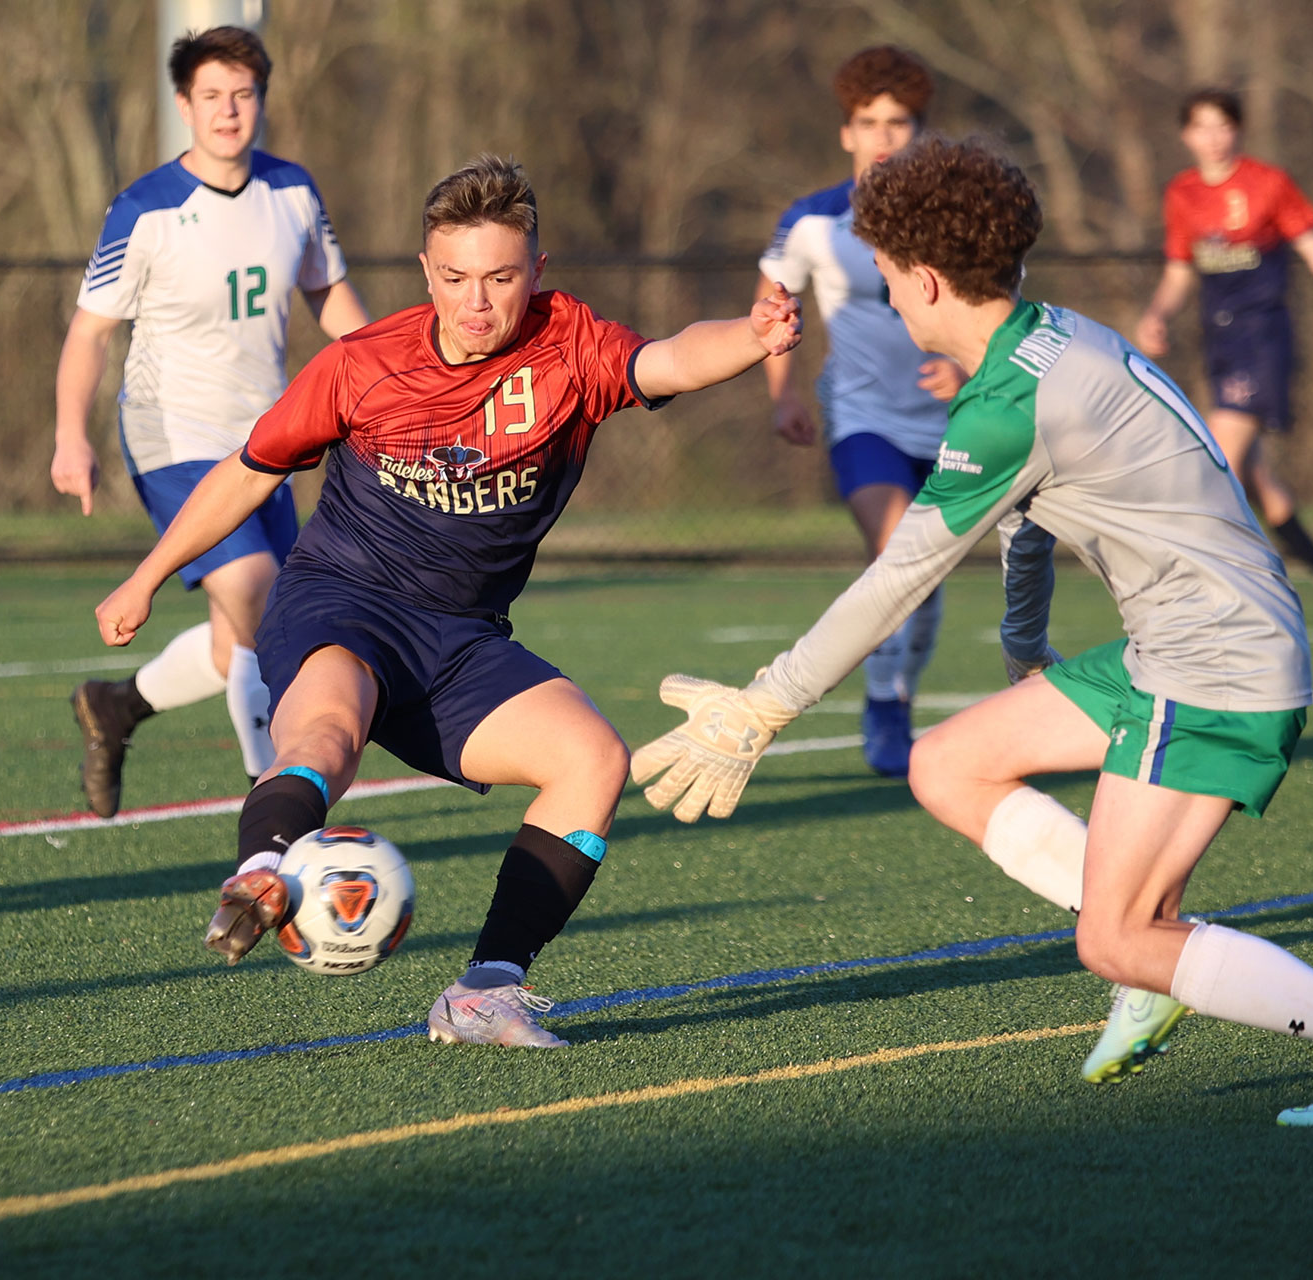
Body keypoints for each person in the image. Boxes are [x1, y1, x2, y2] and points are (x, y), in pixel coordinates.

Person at [633, 135, 1313, 1126]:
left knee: (1112, 938)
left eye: (889, 280)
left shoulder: (1007, 403)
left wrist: (765, 703)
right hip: (1180, 642)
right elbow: (1027, 523)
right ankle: (1160, 957)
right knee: (945, 763)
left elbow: (900, 573)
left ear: (930, 280)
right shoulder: (1048, 336)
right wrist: (1027, 653)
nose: (886, 300)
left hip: (1214, 661)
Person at [94, 155, 802, 1048]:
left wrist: (751, 335)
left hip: (462, 640)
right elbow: (249, 470)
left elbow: (670, 359)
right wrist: (147, 574)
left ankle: (485, 991)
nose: (478, 302)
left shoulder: (570, 348)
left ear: (536, 273)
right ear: (427, 274)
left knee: (592, 760)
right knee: (325, 737)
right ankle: (264, 870)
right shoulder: (362, 365)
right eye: (458, 279)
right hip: (340, 604)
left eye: (501, 278)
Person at [51, 26, 372, 818]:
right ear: (184, 106)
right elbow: (90, 331)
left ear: (261, 100)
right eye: (212, 97)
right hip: (175, 438)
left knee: (250, 639)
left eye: (244, 94)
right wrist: (70, 434)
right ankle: (280, 807)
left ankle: (117, 705)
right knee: (258, 590)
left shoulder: (292, 190)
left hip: (267, 441)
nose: (230, 111)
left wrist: (387, 375)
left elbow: (328, 295)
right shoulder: (146, 209)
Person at [760, 46, 1057, 773]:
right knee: (897, 549)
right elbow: (774, 305)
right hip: (863, 417)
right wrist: (783, 394)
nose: (883, 136)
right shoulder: (815, 223)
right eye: (869, 121)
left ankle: (897, 692)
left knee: (928, 570)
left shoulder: (957, 221)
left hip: (959, 421)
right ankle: (886, 709)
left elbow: (1004, 312)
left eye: (899, 122)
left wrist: (969, 371)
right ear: (846, 132)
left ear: (920, 131)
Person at [1136, 89, 1313, 630]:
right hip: (1218, 343)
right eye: (1202, 127)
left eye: (1224, 125)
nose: (1214, 137)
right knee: (1255, 482)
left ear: (1239, 130)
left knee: (1214, 460)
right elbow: (1178, 271)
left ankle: (1221, 593)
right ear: (1186, 136)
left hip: (1262, 340)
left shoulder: (1268, 184)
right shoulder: (1183, 193)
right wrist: (1157, 315)